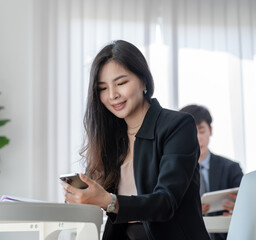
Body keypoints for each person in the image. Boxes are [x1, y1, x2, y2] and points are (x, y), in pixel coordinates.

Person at [61, 40, 210, 240]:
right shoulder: (112, 136)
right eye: (102, 88)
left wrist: (109, 201)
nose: (113, 95)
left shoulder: (177, 125)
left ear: (144, 80)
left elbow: (165, 202)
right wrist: (84, 198)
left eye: (121, 83)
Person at [180, 104, 243, 240]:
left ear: (211, 130)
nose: (197, 138)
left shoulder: (231, 169)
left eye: (201, 131)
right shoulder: (171, 171)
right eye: (190, 132)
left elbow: (248, 205)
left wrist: (239, 209)